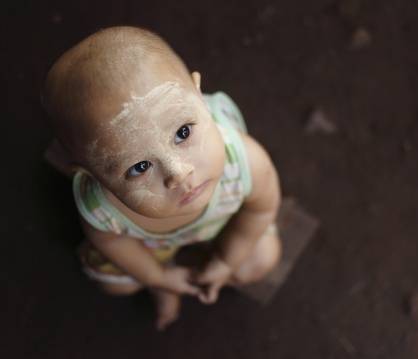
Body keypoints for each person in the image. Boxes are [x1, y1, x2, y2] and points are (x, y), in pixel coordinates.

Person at [41, 26, 282, 330]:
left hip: (224, 222)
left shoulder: (243, 161)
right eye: (140, 167)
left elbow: (260, 209)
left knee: (261, 259)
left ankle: (209, 268)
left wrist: (226, 261)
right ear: (95, 177)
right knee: (115, 283)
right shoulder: (100, 205)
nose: (179, 173)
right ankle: (167, 284)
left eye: (183, 132)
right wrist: (158, 277)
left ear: (198, 97)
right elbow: (109, 240)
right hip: (151, 247)